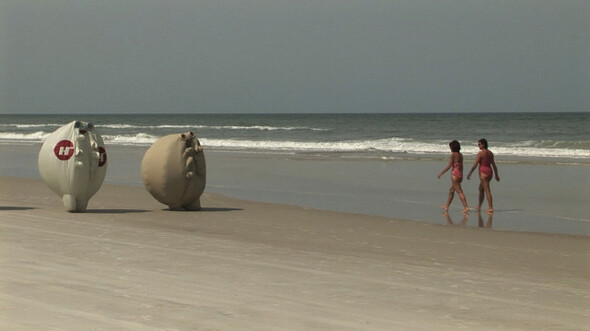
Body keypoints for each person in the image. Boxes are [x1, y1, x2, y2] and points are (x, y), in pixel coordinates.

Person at [467, 138, 500, 213]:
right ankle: (479, 205)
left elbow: (475, 165)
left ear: (483, 144)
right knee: (481, 189)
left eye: (479, 144)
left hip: (483, 173)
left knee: (487, 190)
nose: (478, 146)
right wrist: (496, 175)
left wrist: (470, 173)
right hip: (489, 172)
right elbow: (494, 165)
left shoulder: (481, 153)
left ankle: (491, 207)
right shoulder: (490, 153)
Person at [438, 140, 469, 213]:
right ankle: (447, 206)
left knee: (459, 191)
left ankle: (466, 207)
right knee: (451, 190)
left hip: (455, 174)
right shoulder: (460, 155)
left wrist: (442, 172)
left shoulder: (453, 155)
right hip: (460, 174)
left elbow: (449, 165)